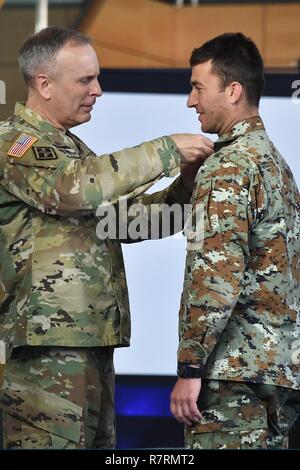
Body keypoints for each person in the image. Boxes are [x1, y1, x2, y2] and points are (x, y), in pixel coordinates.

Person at [0, 26, 214, 449]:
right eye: (85, 80)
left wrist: (186, 188)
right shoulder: (16, 144)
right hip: (49, 348)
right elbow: (74, 189)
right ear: (43, 84)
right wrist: (168, 149)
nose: (98, 90)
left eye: (97, 78)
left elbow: (125, 222)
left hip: (90, 342)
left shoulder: (70, 149)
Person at [170, 32, 300, 449]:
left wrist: (190, 369)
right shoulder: (277, 166)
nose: (191, 101)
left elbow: (215, 278)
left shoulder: (228, 166)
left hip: (231, 376)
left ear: (233, 91)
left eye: (197, 88)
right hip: (276, 373)